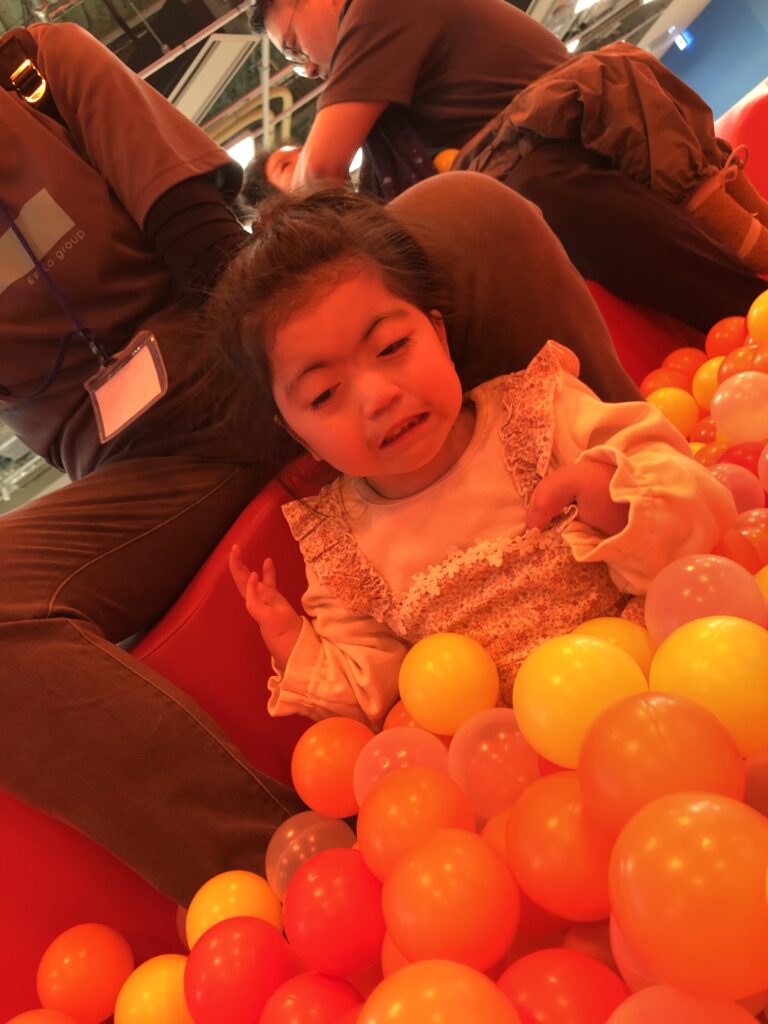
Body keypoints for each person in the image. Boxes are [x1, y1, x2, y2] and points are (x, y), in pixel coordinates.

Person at [0, 21, 638, 904]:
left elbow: (206, 248)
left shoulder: (43, 68)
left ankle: (646, 483)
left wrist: (296, 388)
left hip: (235, 356)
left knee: (470, 212)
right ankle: (300, 879)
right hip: (137, 464)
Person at [217, 191, 735, 725]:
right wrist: (291, 643)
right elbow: (371, 703)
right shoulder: (343, 548)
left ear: (438, 334)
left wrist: (614, 498)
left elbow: (701, 505)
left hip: (663, 680)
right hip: (516, 749)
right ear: (296, 434)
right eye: (325, 393)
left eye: (392, 346)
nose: (378, 397)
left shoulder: (541, 414)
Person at [251, 0, 768, 333]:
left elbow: (319, 171)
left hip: (566, 158)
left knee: (533, 190)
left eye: (294, 49)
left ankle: (748, 307)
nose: (309, 70)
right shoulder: (392, 106)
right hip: (556, 162)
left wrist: (294, 192)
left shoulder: (377, 9)